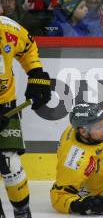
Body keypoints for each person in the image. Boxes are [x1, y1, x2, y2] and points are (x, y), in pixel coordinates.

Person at [0, 15, 52, 218]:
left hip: (5, 104)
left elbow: (28, 46)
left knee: (10, 162)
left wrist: (36, 73)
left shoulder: (8, 29)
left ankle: (22, 212)